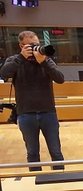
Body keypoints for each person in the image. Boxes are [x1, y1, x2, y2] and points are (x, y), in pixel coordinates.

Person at [0, 30, 65, 172]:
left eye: (36, 44)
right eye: (30, 45)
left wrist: (44, 62)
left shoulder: (45, 60)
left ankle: (61, 180)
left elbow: (60, 79)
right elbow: (4, 74)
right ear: (21, 46)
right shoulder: (14, 60)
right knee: (32, 153)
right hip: (26, 114)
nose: (35, 48)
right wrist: (21, 58)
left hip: (48, 113)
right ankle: (35, 180)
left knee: (56, 152)